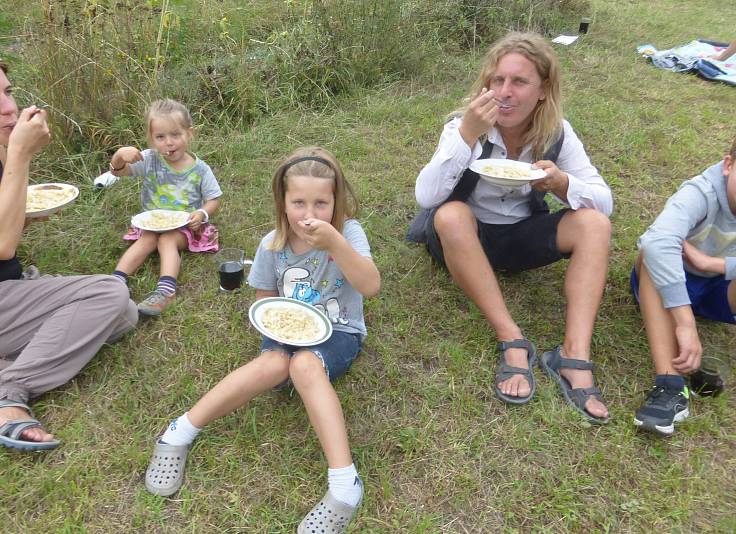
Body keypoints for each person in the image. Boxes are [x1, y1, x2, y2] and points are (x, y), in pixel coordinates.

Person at [144, 147, 380, 533]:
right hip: (288, 329)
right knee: (273, 363)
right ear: (282, 203)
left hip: (339, 330)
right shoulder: (272, 244)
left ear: (336, 202)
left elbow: (370, 287)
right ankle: (178, 433)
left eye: (321, 203)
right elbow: (264, 301)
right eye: (299, 202)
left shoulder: (349, 234)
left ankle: (345, 484)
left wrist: (336, 243)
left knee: (304, 364)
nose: (310, 213)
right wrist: (278, 328)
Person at [0, 46, 137, 450]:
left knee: (125, 315)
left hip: (0, 293)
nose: (8, 108)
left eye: (7, 92)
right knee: (109, 293)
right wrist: (21, 156)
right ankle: (1, 394)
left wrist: (21, 209)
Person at [410, 32, 613, 423]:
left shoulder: (558, 132)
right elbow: (426, 195)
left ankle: (574, 354)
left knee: (594, 225)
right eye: (497, 80)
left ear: (542, 90)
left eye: (519, 82)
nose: (504, 92)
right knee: (450, 214)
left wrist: (562, 184)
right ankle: (511, 337)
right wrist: (467, 134)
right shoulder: (464, 126)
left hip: (521, 236)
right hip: (464, 238)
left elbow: (605, 203)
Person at [631, 137, 736, 436]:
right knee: (652, 255)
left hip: (721, 288)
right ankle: (670, 386)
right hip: (668, 283)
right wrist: (685, 323)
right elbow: (656, 242)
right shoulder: (701, 191)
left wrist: (715, 265)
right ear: (728, 165)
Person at [108, 98, 222, 316]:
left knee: (167, 239)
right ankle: (116, 281)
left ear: (190, 133)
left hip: (185, 225)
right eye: (160, 137)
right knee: (148, 239)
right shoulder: (150, 159)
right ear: (151, 139)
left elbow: (214, 198)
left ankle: (166, 291)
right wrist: (120, 156)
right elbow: (118, 172)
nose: (168, 142)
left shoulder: (200, 170)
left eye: (175, 135)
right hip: (152, 223)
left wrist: (202, 212)